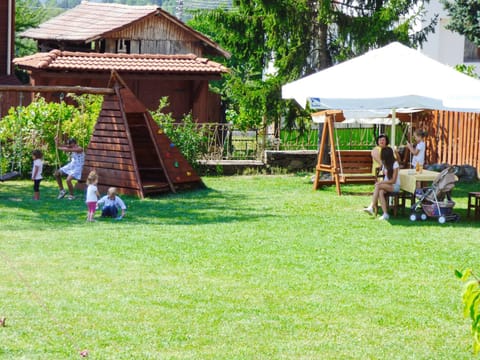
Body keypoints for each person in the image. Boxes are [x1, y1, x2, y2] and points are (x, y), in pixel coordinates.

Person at [363, 146, 400, 221]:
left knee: (378, 185)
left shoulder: (395, 164)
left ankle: (371, 206)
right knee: (380, 191)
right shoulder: (385, 164)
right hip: (386, 185)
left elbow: (393, 181)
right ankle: (385, 214)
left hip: (394, 186)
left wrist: (381, 182)